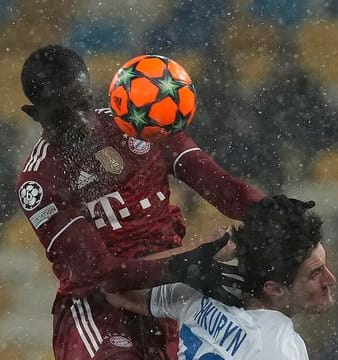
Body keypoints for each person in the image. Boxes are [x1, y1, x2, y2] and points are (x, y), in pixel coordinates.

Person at [15, 44, 265, 360]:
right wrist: (188, 264)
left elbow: (219, 185)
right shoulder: (38, 181)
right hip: (100, 313)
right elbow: (105, 274)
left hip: (167, 298)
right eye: (62, 115)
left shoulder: (136, 122)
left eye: (83, 103)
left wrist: (269, 209)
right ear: (34, 114)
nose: (79, 120)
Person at [106, 195, 337, 359]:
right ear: (274, 288)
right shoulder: (281, 349)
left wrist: (198, 252)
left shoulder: (199, 296)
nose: (331, 280)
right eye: (316, 273)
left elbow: (113, 288)